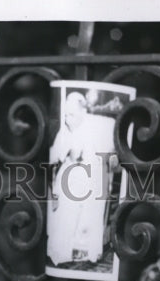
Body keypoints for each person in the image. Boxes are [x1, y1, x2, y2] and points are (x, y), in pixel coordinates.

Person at [47, 91, 117, 266]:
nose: (67, 119)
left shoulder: (97, 127)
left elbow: (107, 152)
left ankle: (89, 252)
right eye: (65, 115)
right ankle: (62, 252)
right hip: (71, 177)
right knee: (66, 209)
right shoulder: (66, 131)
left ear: (81, 113)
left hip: (91, 175)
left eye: (71, 114)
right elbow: (57, 156)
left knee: (92, 204)